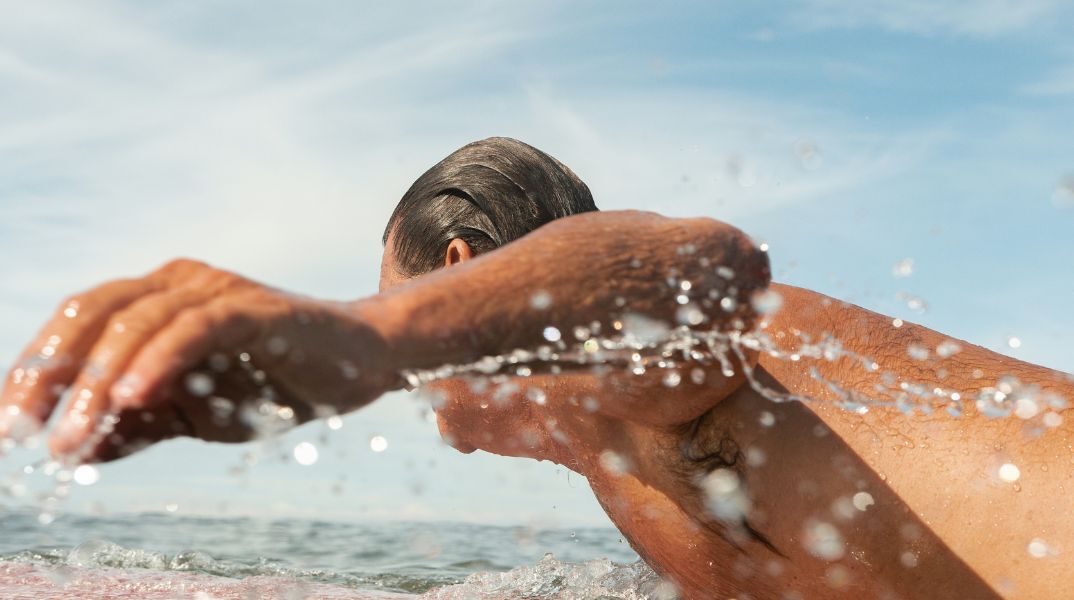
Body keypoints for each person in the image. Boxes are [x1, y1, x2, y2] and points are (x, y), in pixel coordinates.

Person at [0, 138, 1070, 599]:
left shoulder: (649, 371)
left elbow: (702, 266)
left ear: (458, 271)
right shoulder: (620, 468)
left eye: (397, 290)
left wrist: (372, 336)